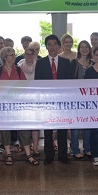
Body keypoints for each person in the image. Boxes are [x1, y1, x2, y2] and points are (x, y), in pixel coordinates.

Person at [0, 46, 38, 165]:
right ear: (5, 57)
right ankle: (8, 154)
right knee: (5, 130)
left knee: (24, 129)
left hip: (18, 105)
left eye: (14, 54)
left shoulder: (18, 70)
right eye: (11, 55)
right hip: (3, 106)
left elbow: (24, 86)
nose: (14, 57)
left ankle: (28, 154)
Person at [34, 34, 72, 165]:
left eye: (54, 44)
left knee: (62, 128)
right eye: (49, 44)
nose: (52, 47)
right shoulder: (40, 63)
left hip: (62, 101)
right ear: (46, 47)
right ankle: (49, 155)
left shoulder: (66, 62)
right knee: (48, 129)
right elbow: (37, 83)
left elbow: (70, 83)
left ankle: (63, 155)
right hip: (47, 101)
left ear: (58, 46)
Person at [69, 40, 93, 159]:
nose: (84, 49)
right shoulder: (73, 63)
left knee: (88, 123)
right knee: (76, 125)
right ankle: (75, 149)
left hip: (90, 99)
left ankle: (87, 148)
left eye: (86, 47)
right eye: (82, 47)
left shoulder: (93, 63)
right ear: (79, 49)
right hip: (76, 98)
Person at [17, 46, 40, 155]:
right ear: (24, 55)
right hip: (23, 98)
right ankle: (23, 145)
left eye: (32, 54)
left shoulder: (40, 65)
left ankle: (35, 147)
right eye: (27, 54)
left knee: (36, 124)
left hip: (36, 98)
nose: (29, 56)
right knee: (24, 123)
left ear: (35, 55)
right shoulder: (19, 67)